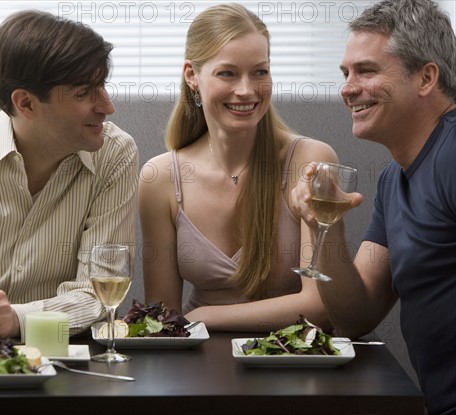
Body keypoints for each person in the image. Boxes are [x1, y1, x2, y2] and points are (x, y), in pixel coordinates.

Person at [0, 10, 138, 340]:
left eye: (103, 86)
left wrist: (18, 319)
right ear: (26, 103)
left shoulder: (115, 154)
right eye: (84, 93)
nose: (107, 106)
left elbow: (101, 293)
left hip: (64, 356)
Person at [290, 0, 456, 413]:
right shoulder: (393, 180)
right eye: (345, 74)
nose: (347, 88)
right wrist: (322, 224)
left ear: (426, 77)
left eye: (366, 70)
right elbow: (356, 314)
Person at [139, 3, 339, 332]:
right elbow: (164, 317)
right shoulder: (159, 178)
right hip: (198, 364)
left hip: (289, 363)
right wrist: (190, 323)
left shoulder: (310, 161)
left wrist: (203, 316)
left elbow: (318, 305)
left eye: (260, 72)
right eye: (227, 73)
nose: (246, 90)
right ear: (192, 75)